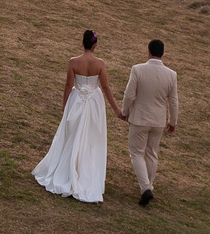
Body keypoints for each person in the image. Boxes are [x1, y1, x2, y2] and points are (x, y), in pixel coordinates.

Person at [32, 30, 124, 203]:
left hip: (77, 101)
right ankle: (86, 171)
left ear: (82, 43)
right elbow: (106, 88)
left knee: (73, 135)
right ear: (95, 45)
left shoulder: (73, 62)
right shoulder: (100, 63)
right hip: (94, 104)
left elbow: (68, 85)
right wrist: (116, 110)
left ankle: (69, 169)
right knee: (91, 137)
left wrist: (65, 105)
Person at [121, 39, 179, 207]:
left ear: (148, 51)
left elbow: (129, 95)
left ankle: (146, 187)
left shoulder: (138, 70)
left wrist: (125, 112)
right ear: (163, 53)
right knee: (152, 153)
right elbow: (174, 101)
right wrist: (172, 121)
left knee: (137, 153)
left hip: (140, 118)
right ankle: (149, 185)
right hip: (158, 121)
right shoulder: (171, 74)